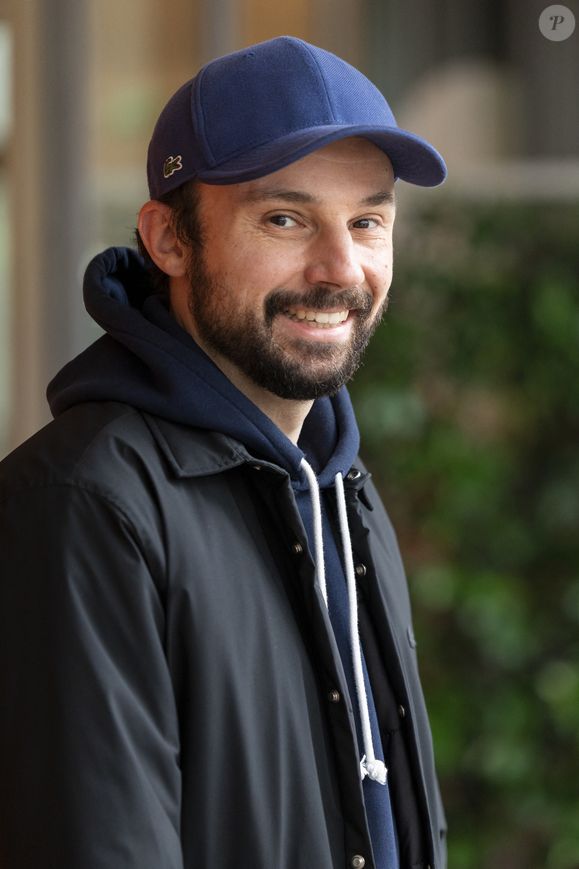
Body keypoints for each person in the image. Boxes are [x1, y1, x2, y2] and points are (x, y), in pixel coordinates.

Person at [0, 36, 447, 869]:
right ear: (169, 239)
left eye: (368, 222)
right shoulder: (80, 503)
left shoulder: (340, 487)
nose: (340, 268)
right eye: (285, 218)